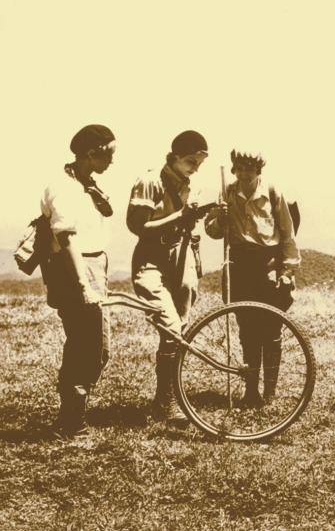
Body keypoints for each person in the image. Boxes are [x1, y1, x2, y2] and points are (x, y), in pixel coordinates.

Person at [127, 130, 211, 422]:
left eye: (199, 164)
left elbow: (191, 223)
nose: (195, 168)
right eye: (190, 161)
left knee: (179, 333)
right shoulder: (150, 181)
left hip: (182, 257)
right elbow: (138, 227)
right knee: (172, 328)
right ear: (174, 156)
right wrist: (181, 217)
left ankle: (165, 400)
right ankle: (168, 402)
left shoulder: (191, 184)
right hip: (151, 260)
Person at [204, 149, 300, 407]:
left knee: (271, 329)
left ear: (259, 170)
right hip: (240, 266)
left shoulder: (271, 192)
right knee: (247, 330)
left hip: (268, 266)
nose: (244, 173)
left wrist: (288, 269)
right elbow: (212, 230)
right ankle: (250, 391)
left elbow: (287, 233)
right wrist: (220, 218)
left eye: (250, 168)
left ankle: (269, 393)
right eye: (240, 167)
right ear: (234, 168)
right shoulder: (227, 192)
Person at [40, 124, 116, 437]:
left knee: (96, 346)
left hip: (93, 266)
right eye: (109, 153)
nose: (113, 160)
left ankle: (71, 417)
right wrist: (84, 284)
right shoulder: (63, 186)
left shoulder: (87, 184)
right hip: (75, 269)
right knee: (89, 345)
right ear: (91, 153)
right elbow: (67, 238)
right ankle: (71, 422)